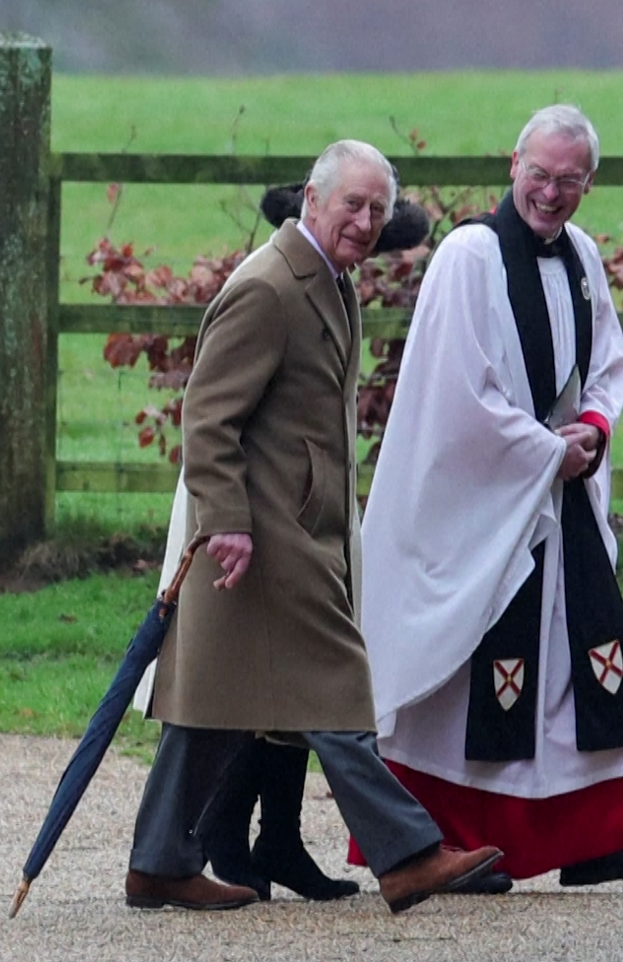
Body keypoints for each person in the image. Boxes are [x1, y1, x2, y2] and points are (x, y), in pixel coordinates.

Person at [124, 139, 501, 914]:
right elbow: (207, 415)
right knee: (336, 687)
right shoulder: (269, 286)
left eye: (377, 209)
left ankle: (159, 862)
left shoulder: (330, 282)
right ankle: (409, 855)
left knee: (213, 701)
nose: (364, 222)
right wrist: (226, 522)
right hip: (265, 535)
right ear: (312, 199)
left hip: (300, 528)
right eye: (352, 205)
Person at [356, 106, 623, 890]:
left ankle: (594, 839)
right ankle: (447, 842)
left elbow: (607, 361)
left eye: (568, 181)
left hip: (557, 491)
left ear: (588, 184)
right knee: (472, 668)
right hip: (482, 500)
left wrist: (595, 432)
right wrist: (547, 449)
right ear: (514, 165)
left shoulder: (582, 256)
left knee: (581, 663)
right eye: (538, 175)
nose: (550, 193)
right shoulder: (469, 256)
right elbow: (457, 391)